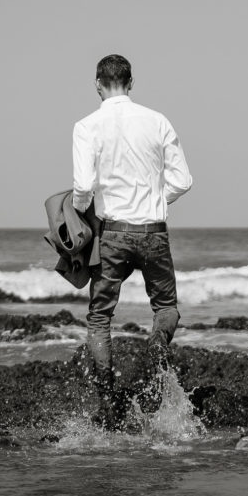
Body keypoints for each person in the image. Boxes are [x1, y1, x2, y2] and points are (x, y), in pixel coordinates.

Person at [73, 54, 192, 426]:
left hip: (113, 233)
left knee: (100, 317)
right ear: (131, 82)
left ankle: (109, 400)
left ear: (97, 83)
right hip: (153, 231)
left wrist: (79, 213)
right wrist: (156, 199)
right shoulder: (157, 120)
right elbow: (183, 181)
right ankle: (155, 349)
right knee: (166, 307)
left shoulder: (86, 125)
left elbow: (82, 187)